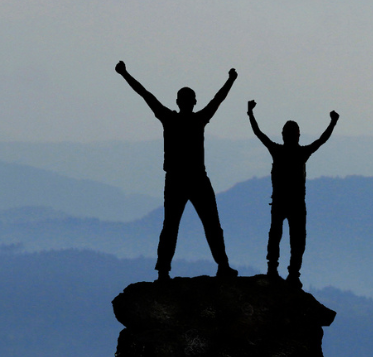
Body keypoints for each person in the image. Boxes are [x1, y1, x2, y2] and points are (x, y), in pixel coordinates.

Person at [116, 61, 239, 281]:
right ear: (193, 102)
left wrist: (125, 73)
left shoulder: (169, 119)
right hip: (196, 179)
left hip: (176, 180)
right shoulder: (198, 119)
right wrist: (230, 80)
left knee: (172, 226)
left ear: (178, 102)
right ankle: (222, 265)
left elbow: (145, 94)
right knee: (210, 224)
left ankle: (164, 270)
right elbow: (218, 99)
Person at [247, 100, 338, 288]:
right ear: (298, 135)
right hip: (296, 204)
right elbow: (322, 139)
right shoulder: (302, 152)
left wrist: (251, 113)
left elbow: (258, 133)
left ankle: (274, 269)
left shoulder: (278, 151)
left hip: (281, 202)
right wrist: (333, 122)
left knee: (276, 235)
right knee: (296, 239)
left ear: (283, 135)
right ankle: (293, 274)